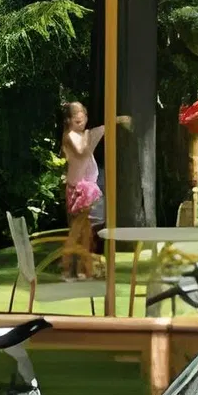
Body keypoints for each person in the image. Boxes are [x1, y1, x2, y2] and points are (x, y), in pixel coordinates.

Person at [61, 102, 130, 280]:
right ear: (69, 120)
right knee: (77, 231)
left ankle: (85, 269)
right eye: (76, 116)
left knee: (87, 233)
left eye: (82, 114)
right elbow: (81, 152)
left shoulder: (82, 134)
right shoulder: (70, 136)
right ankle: (68, 269)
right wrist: (89, 136)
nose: (80, 118)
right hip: (79, 191)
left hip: (86, 189)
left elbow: (100, 130)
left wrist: (118, 120)